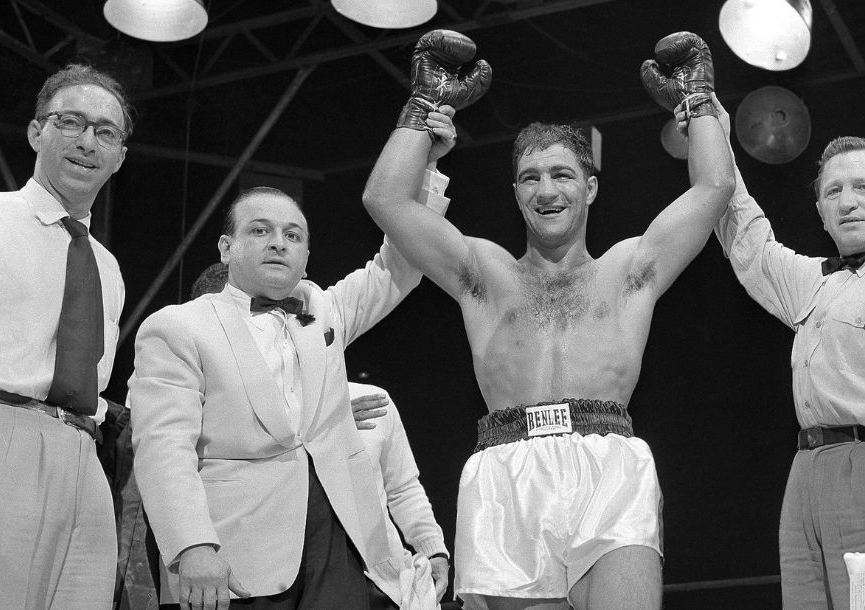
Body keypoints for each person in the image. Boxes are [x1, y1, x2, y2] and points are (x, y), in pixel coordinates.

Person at [362, 30, 734, 609]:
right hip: (507, 470)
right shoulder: (483, 274)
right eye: (531, 177)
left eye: (561, 174)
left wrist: (702, 102)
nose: (546, 189)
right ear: (515, 194)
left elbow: (713, 188)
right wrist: (422, 107)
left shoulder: (628, 269)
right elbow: (385, 200)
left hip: (608, 464)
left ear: (589, 188)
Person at [127, 112, 457, 610]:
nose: (279, 242)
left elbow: (402, 263)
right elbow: (163, 448)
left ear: (306, 254)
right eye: (260, 231)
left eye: (293, 234)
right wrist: (193, 543)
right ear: (226, 247)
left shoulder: (324, 307)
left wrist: (424, 166)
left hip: (337, 540)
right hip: (238, 549)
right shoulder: (177, 327)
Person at [707, 100, 865, 607]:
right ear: (821, 213)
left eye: (864, 187)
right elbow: (748, 243)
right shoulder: (819, 282)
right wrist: (712, 134)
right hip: (807, 474)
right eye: (833, 191)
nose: (847, 200)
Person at [0, 63, 131, 608]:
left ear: (120, 156)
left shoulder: (109, 267)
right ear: (35, 132)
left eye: (106, 131)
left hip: (84, 456)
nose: (87, 141)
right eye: (71, 122)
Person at [349, 382, 451, 606]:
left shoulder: (372, 400)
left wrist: (433, 550)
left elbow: (402, 487)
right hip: (309, 576)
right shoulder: (278, 416)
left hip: (385, 579)